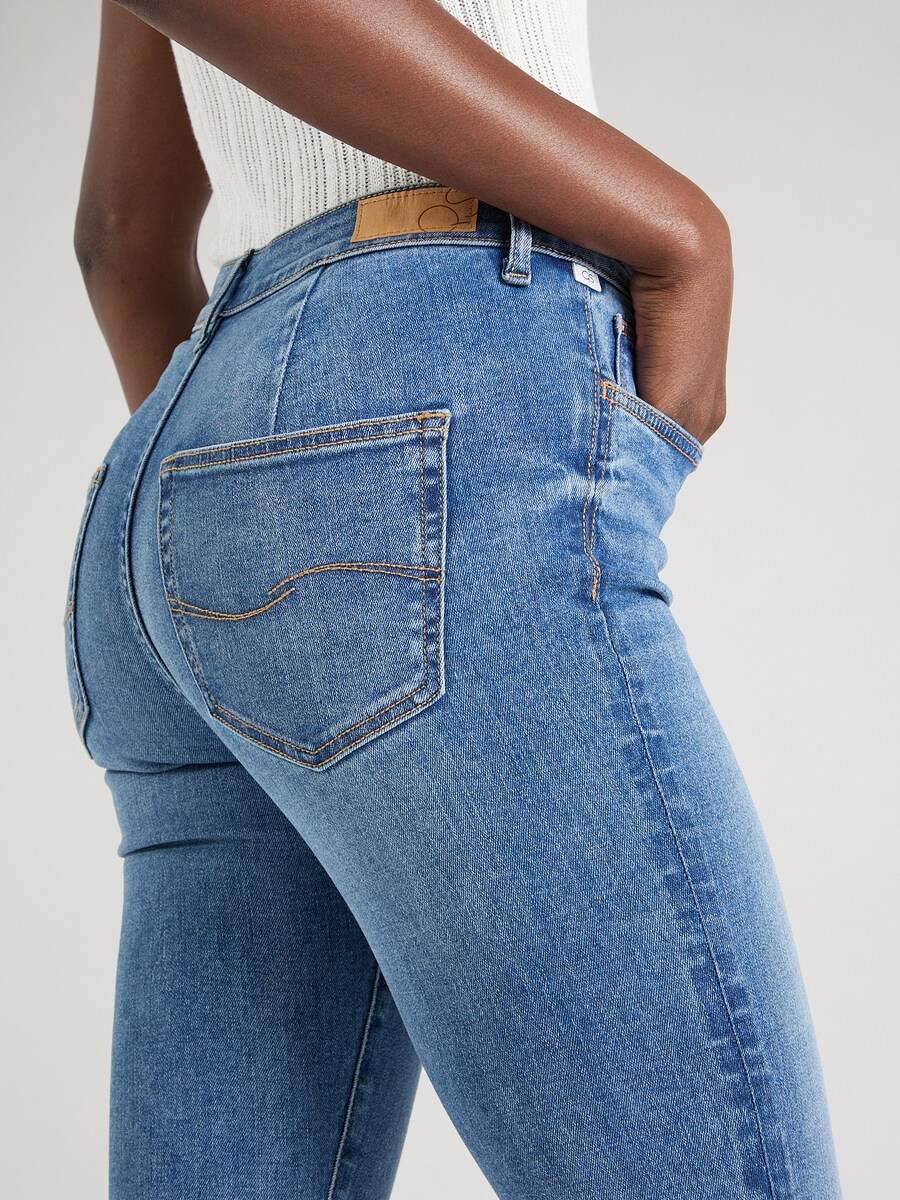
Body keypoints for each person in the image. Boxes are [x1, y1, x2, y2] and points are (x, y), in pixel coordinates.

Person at [65, 2, 842, 1197]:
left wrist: (254, 502)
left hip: (182, 452)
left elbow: (122, 236)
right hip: (423, 399)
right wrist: (682, 231)